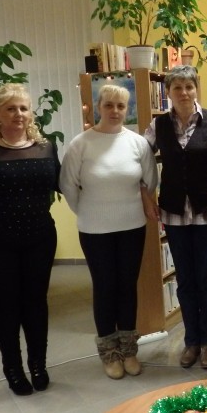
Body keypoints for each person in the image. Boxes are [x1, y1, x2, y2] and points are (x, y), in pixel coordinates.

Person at [60, 84, 157, 379]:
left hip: (132, 226)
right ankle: (109, 353)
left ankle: (128, 350)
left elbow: (150, 181)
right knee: (104, 288)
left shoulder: (138, 143)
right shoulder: (81, 144)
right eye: (109, 105)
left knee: (127, 286)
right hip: (94, 230)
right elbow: (68, 185)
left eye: (121, 106)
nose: (115, 111)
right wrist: (87, 212)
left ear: (127, 109)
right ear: (98, 107)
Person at [0, 84, 60, 396]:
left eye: (23, 108)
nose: (18, 114)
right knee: (6, 305)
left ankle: (38, 364)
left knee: (36, 302)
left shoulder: (46, 148)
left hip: (40, 237)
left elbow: (66, 183)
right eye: (10, 108)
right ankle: (12, 368)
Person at [143, 66, 207, 370]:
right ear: (168, 92)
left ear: (196, 89)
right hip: (174, 213)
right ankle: (191, 341)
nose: (183, 92)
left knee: (206, 279)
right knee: (185, 280)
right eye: (177, 87)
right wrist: (146, 196)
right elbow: (140, 159)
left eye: (189, 86)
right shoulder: (158, 125)